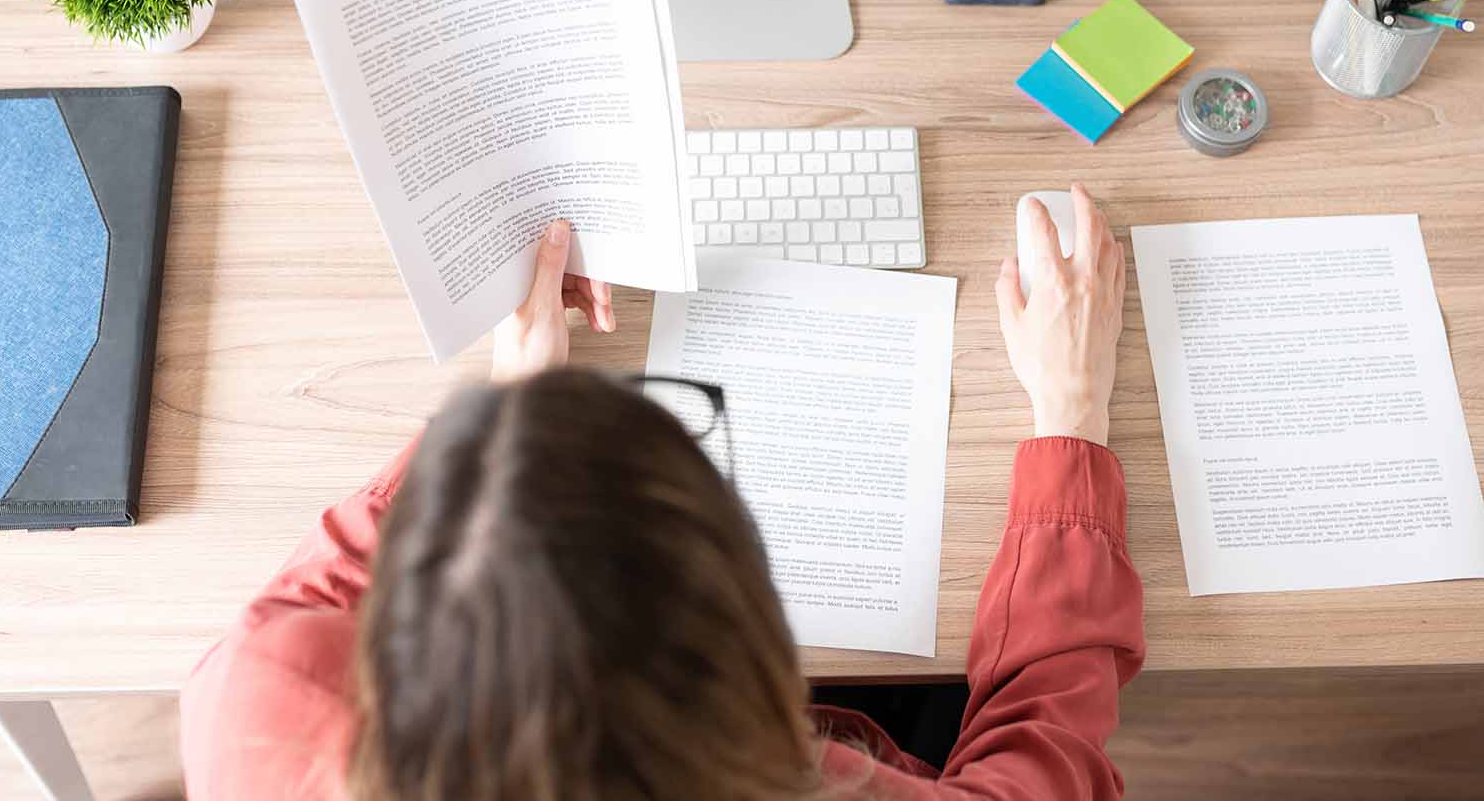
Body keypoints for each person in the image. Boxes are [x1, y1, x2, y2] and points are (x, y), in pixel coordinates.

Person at [181, 185, 1141, 800]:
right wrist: (1070, 414)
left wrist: (514, 422)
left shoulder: (263, 700)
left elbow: (331, 578)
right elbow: (1042, 773)